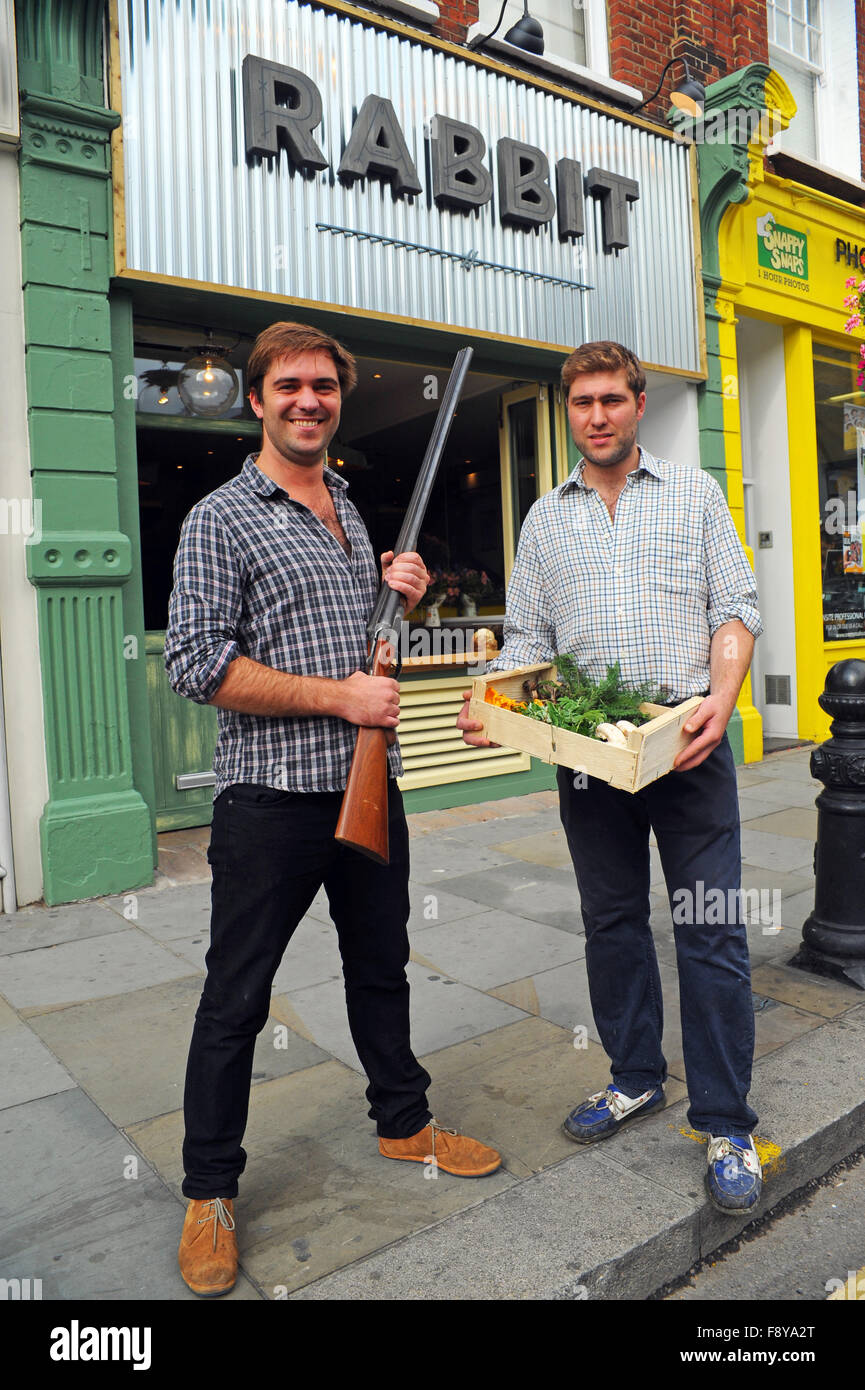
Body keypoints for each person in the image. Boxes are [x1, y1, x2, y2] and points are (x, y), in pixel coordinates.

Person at [166, 321, 500, 1298]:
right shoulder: (220, 517)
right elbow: (196, 663)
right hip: (269, 801)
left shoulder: (349, 505)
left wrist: (397, 595)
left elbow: (364, 654)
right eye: (290, 386)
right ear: (257, 397)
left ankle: (403, 1123)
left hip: (366, 787)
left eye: (323, 386)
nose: (309, 400)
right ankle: (207, 1192)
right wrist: (341, 697)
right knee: (235, 998)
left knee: (380, 969)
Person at [457, 340, 763, 1215]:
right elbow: (526, 644)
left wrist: (724, 699)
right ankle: (636, 1076)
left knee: (709, 931)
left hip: (686, 745)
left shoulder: (694, 495)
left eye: (611, 400)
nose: (596, 415)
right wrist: (491, 701)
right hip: (588, 756)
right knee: (612, 921)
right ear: (569, 411)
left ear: (637, 404)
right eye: (581, 402)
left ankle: (725, 1120)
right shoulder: (543, 521)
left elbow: (735, 607)